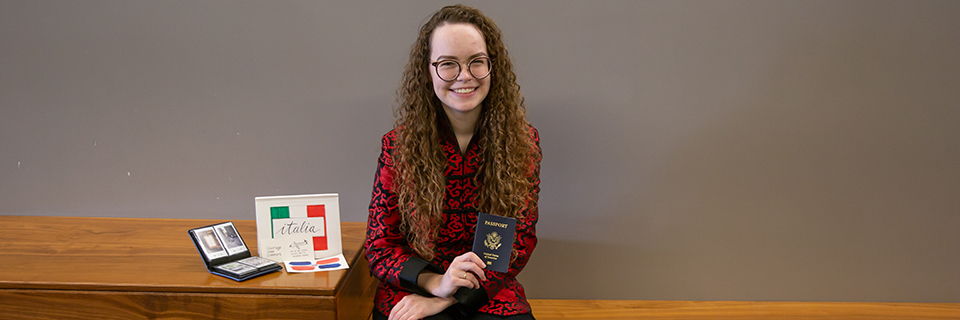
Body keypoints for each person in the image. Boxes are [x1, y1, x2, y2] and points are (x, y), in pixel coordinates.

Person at [364, 4, 541, 320]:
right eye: (448, 64)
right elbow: (380, 247)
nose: (464, 76)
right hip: (414, 288)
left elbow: (518, 243)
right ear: (428, 70)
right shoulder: (397, 147)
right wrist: (437, 284)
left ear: (492, 66)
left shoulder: (522, 144)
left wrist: (449, 298)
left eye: (477, 62)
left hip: (489, 291)